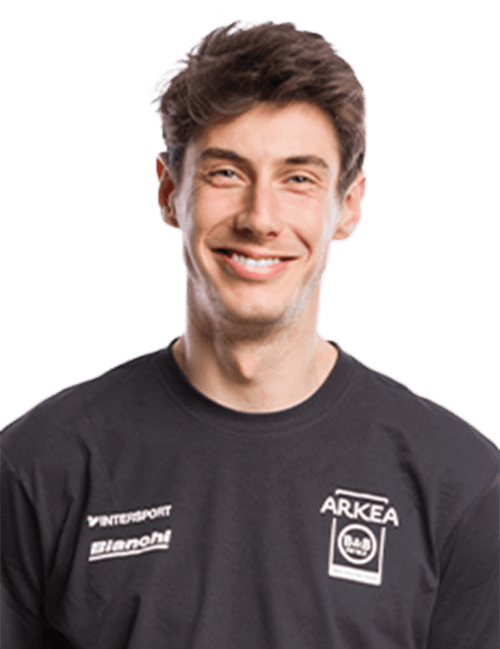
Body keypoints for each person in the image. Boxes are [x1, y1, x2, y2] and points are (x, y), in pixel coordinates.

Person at [1, 18, 498, 649]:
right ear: (169, 190)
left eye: (298, 178)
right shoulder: (39, 466)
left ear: (348, 205)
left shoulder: (460, 483)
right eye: (226, 173)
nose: (260, 218)